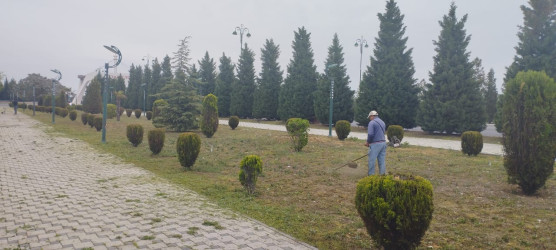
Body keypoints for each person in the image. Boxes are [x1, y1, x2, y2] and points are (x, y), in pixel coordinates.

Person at [364, 110, 386, 175]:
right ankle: (382, 175)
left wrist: (368, 142)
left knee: (372, 160)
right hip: (383, 143)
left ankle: (371, 175)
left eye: (370, 117)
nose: (369, 119)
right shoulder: (382, 122)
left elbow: (370, 134)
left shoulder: (372, 122)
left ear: (372, 116)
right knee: (382, 160)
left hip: (375, 144)